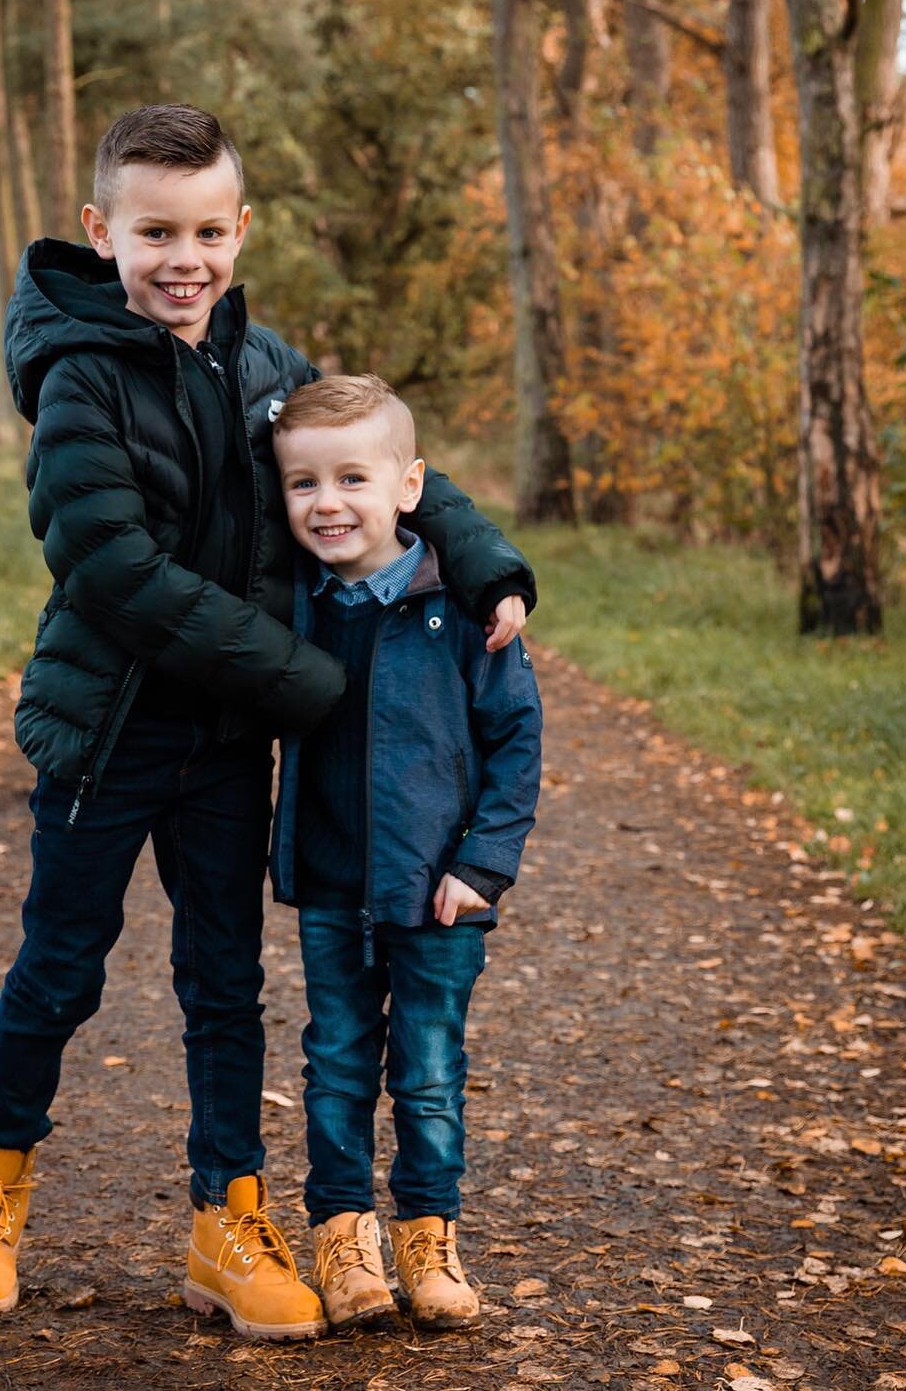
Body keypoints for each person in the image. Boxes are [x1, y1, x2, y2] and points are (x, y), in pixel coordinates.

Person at [0, 104, 535, 1339]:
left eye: (207, 230)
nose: (184, 259)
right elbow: (118, 574)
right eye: (156, 232)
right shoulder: (78, 380)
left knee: (223, 985)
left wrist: (482, 561)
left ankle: (229, 1217)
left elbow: (379, 451)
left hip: (226, 746)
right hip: (112, 733)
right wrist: (315, 686)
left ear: (239, 230)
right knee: (59, 970)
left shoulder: (265, 368)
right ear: (105, 233)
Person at [268, 373, 542, 1332]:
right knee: (338, 1062)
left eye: (353, 478)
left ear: (410, 485)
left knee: (427, 1072)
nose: (329, 503)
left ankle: (430, 1233)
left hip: (439, 893)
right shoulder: (294, 605)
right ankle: (343, 1236)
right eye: (304, 485)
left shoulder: (465, 608)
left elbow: (516, 740)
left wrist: (484, 865)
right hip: (334, 885)